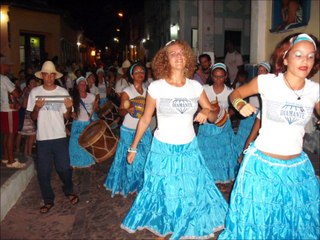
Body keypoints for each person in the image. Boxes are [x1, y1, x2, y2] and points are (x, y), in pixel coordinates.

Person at [121, 40, 228, 239]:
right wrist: (133, 147)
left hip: (189, 148)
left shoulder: (195, 86)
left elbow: (211, 113)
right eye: (173, 53)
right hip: (162, 148)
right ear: (165, 60)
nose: (178, 56)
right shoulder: (156, 87)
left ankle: (185, 220)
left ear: (187, 57)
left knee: (190, 189)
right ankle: (167, 222)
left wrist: (207, 111)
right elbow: (145, 119)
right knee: (165, 189)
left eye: (181, 53)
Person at [219, 33, 319, 239]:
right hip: (262, 167)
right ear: (285, 57)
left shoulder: (314, 90)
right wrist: (239, 104)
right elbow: (234, 95)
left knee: (291, 220)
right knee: (258, 220)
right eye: (299, 55)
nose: (305, 61)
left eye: (311, 56)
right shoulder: (267, 82)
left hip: (296, 170)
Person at [27, 60, 79, 214]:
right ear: (41, 76)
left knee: (64, 168)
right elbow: (33, 117)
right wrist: (37, 107)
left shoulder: (62, 92)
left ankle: (68, 190)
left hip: (60, 137)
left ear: (55, 76)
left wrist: (69, 108)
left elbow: (66, 116)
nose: (49, 78)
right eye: (46, 75)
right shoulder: (34, 92)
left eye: (51, 75)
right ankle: (48, 199)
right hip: (43, 138)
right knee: (43, 172)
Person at [104, 63, 152, 197]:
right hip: (129, 130)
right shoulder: (127, 91)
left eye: (142, 71)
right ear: (131, 75)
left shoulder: (149, 91)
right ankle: (129, 184)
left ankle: (142, 184)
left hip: (144, 130)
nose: (140, 73)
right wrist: (127, 110)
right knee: (128, 159)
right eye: (136, 72)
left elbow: (151, 112)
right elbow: (120, 112)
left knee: (144, 158)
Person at [197, 63, 238, 185]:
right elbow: (199, 105)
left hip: (223, 127)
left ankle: (222, 180)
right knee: (207, 152)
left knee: (222, 155)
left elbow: (234, 108)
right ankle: (209, 179)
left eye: (221, 76)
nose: (218, 79)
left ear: (225, 77)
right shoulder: (204, 89)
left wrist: (228, 115)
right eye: (215, 76)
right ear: (211, 76)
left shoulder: (230, 92)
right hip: (207, 128)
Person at [238, 61, 272, 163]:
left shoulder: (271, 86)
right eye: (259, 70)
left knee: (256, 138)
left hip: (262, 114)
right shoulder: (253, 83)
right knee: (246, 136)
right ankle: (243, 158)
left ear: (268, 72)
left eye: (263, 70)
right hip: (252, 113)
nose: (260, 72)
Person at [0, 56, 25, 168]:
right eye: (8, 66)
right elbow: (16, 94)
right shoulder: (4, 79)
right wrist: (18, 87)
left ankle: (6, 157)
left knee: (6, 134)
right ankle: (11, 161)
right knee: (11, 135)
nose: (9, 68)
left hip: (4, 109)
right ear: (2, 66)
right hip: (9, 109)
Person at [69, 76, 99, 168]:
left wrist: (96, 106)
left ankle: (88, 162)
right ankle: (76, 163)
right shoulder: (73, 98)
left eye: (84, 84)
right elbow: (69, 111)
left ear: (86, 86)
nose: (83, 86)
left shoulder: (92, 96)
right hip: (77, 124)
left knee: (88, 145)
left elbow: (95, 110)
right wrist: (71, 113)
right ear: (77, 86)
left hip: (88, 124)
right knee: (75, 144)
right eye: (80, 84)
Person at [16, 75, 37, 159]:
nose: (34, 84)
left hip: (26, 115)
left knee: (25, 134)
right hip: (27, 116)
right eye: (32, 83)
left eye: (35, 82)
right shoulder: (29, 92)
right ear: (28, 85)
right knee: (31, 134)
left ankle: (26, 153)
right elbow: (25, 105)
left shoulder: (28, 91)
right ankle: (29, 153)